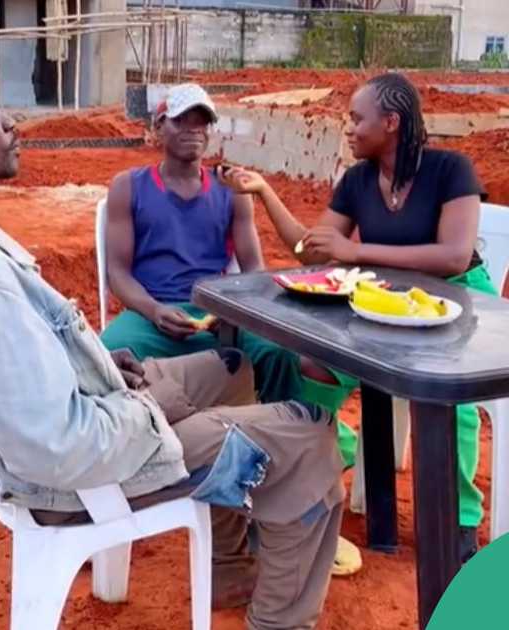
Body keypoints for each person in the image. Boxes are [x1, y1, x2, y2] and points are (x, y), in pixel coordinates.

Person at [0, 54, 345, 630]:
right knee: (313, 440)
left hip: (74, 416)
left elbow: (21, 354)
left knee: (232, 369)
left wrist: (94, 363)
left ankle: (229, 561)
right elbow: (56, 446)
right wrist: (139, 407)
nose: (10, 121)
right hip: (77, 471)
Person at [222, 72, 495, 562]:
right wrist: (264, 192)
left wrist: (357, 249)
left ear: (390, 122)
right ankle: (309, 471)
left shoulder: (449, 170)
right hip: (382, 299)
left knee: (445, 393)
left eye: (356, 119)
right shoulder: (358, 180)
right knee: (314, 366)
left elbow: (454, 256)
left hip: (454, 300)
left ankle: (459, 520)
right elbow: (314, 251)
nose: (348, 129)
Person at [99, 84, 362, 574]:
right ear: (158, 126)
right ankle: (107, 498)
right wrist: (156, 312)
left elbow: (252, 270)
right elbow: (119, 274)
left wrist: (235, 310)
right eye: (181, 121)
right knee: (105, 360)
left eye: (202, 122)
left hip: (220, 310)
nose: (194, 131)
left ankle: (301, 472)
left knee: (292, 355)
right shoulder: (128, 187)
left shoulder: (230, 191)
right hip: (154, 311)